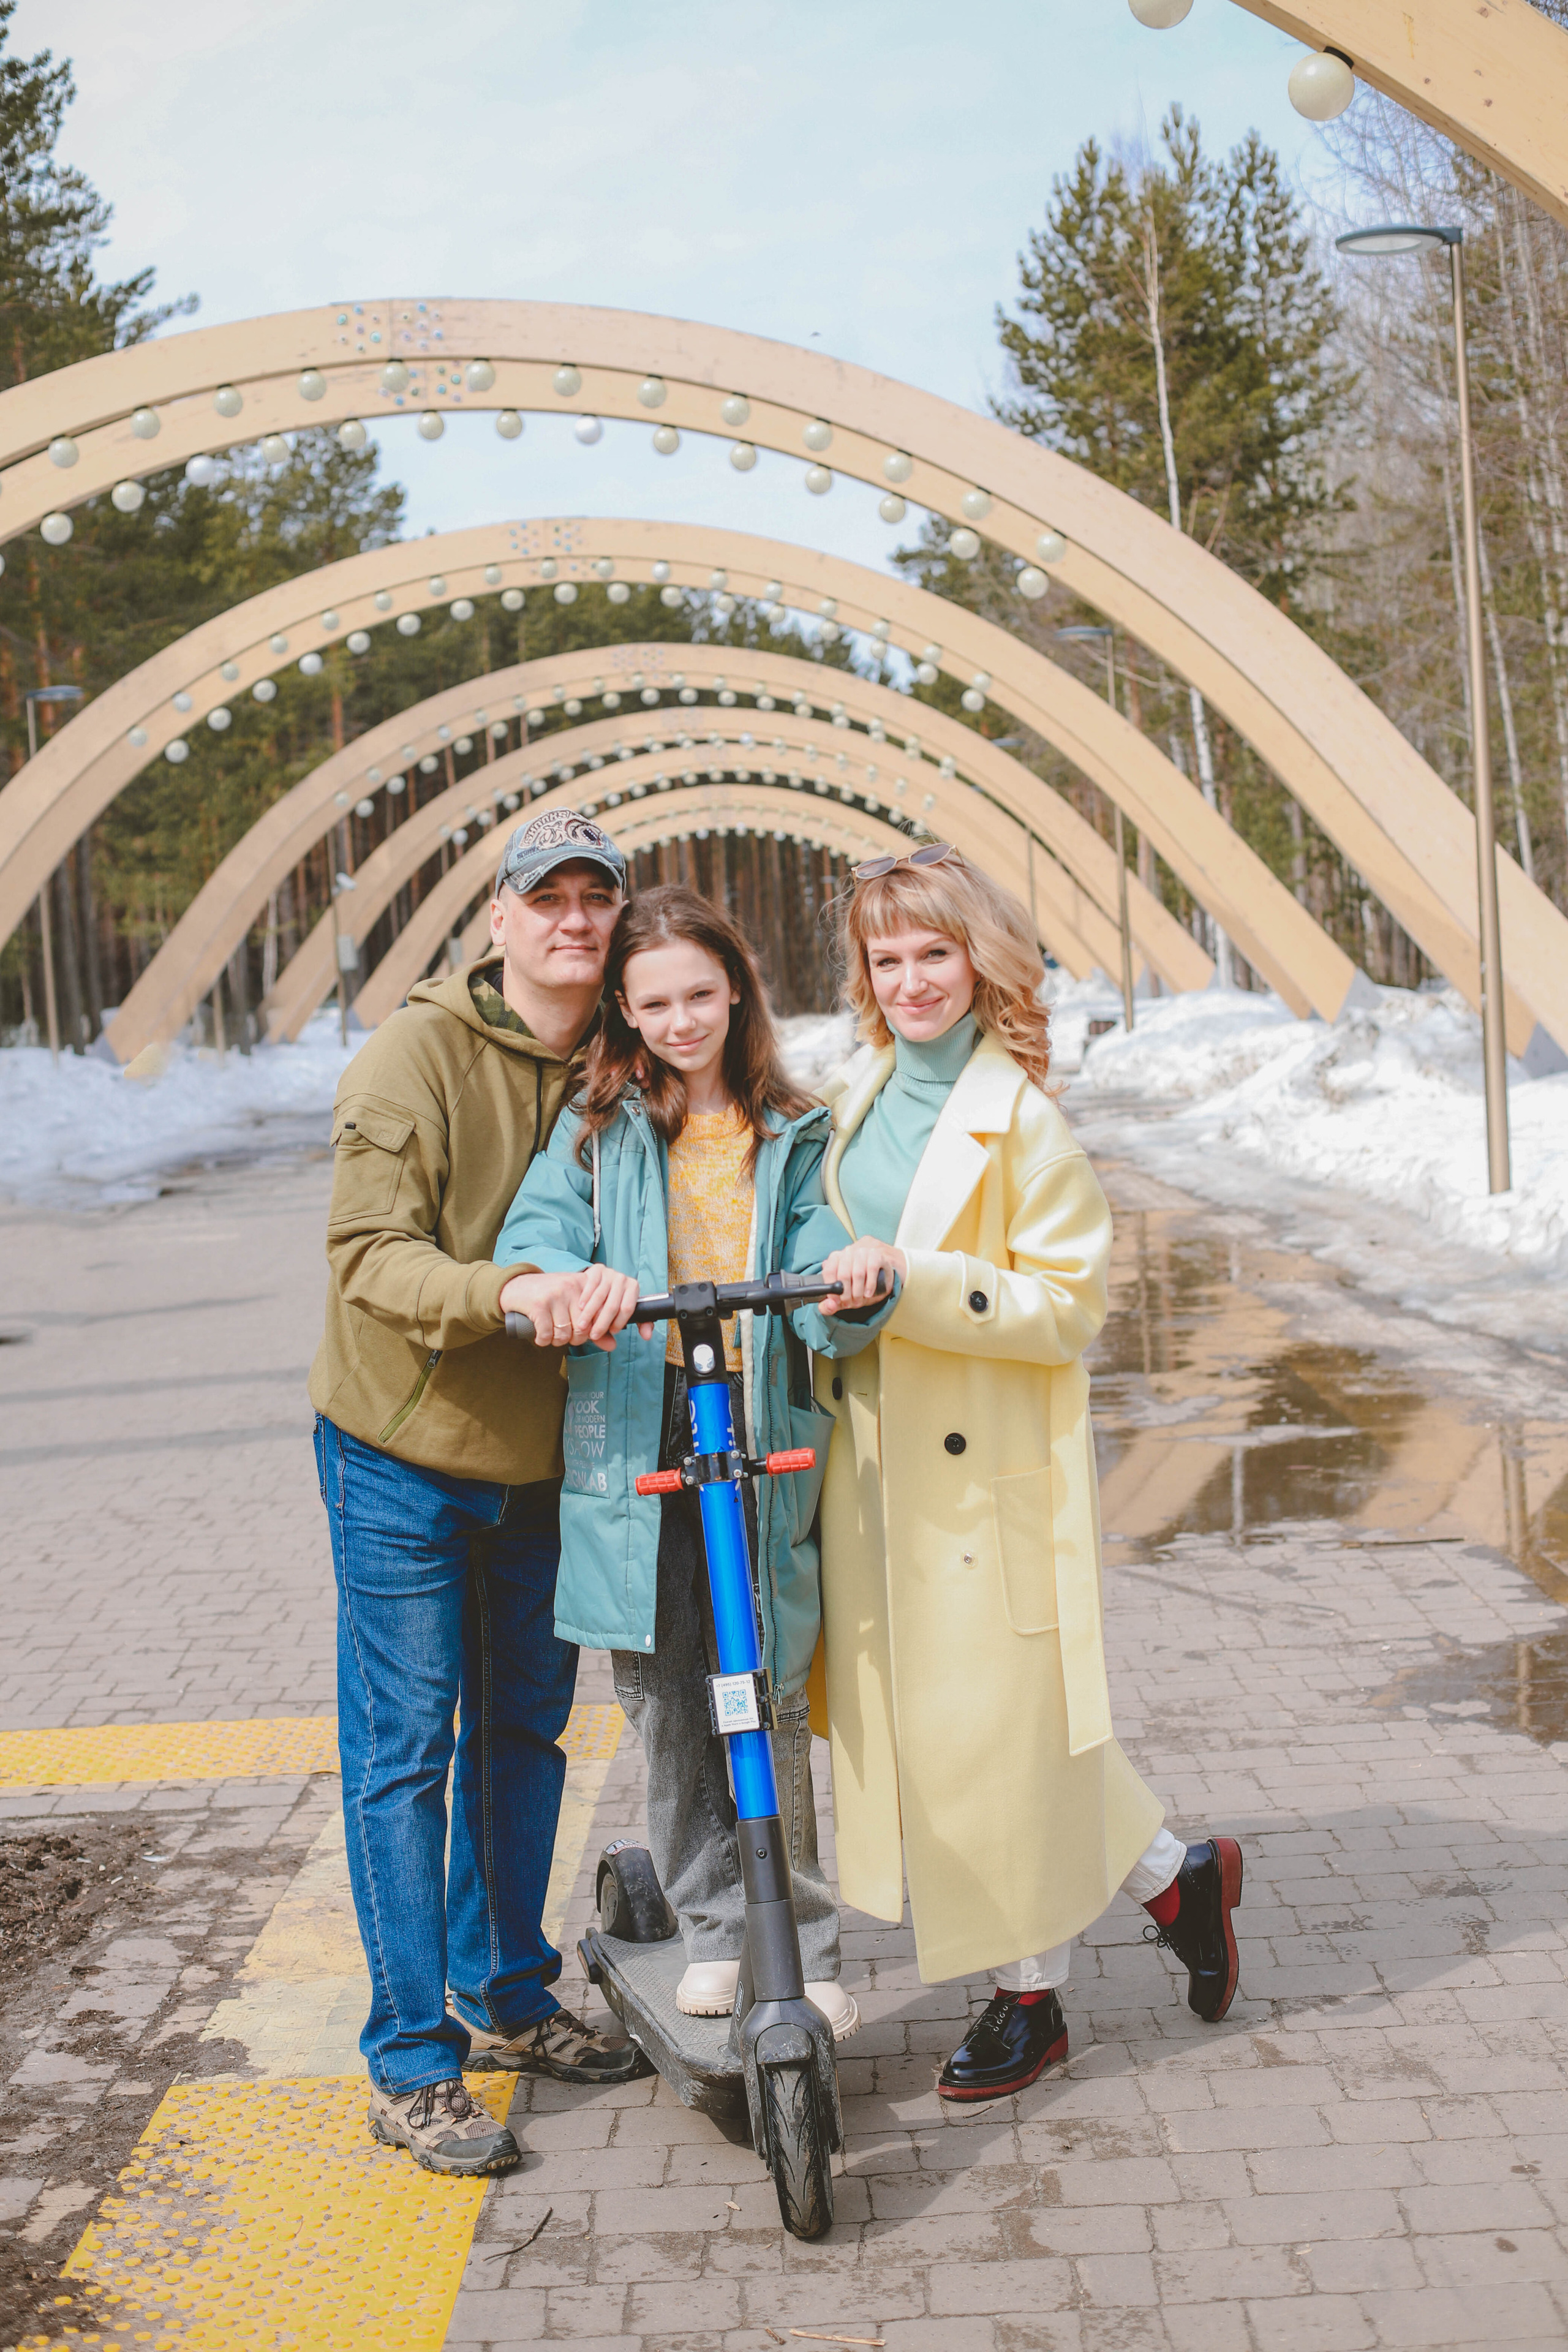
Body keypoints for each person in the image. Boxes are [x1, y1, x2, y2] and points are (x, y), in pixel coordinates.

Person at [813, 843, 1243, 2101]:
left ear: (980, 959)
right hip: (875, 1471)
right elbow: (834, 1268)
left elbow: (1066, 1310)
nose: (908, 981)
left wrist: (915, 1284)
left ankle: (1030, 1999)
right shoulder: (848, 1101)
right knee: (977, 1735)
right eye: (885, 959)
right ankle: (1174, 1877)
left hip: (979, 1479)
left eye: (931, 953)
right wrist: (835, 1314)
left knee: (993, 1743)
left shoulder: (1026, 1124)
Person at [309, 807, 645, 2181]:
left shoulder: (627, 1058)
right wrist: (506, 1292)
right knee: (407, 1754)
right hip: (400, 1453)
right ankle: (408, 2060)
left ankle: (505, 1992)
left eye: (595, 899)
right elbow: (367, 1256)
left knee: (526, 1737)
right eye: (544, 899)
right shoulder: (413, 1056)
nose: (572, 920)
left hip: (544, 1467)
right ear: (496, 922)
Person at [493, 886, 891, 2038]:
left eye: (701, 996)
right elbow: (536, 1235)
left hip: (754, 1422)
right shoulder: (598, 1128)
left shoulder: (793, 1129)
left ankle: (800, 1940)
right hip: (641, 1423)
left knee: (761, 1684)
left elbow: (821, 1253)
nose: (681, 1022)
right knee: (670, 1694)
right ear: (624, 1008)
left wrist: (851, 1279)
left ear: (738, 991)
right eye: (655, 1001)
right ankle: (717, 1927)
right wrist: (568, 1283)